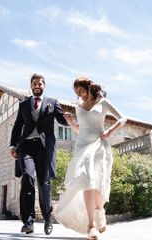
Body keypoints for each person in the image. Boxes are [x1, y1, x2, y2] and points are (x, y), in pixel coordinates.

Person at [54, 76, 127, 240]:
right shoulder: (78, 108)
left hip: (100, 145)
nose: (80, 95)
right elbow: (80, 130)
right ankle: (90, 226)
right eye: (77, 93)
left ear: (88, 87)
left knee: (99, 185)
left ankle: (100, 213)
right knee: (86, 179)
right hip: (83, 146)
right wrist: (70, 122)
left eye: (81, 91)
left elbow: (123, 118)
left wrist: (110, 131)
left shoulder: (103, 102)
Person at [10, 73, 68, 235]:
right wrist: (12, 145)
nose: (37, 86)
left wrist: (73, 118)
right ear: (31, 86)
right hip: (26, 145)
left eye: (40, 83)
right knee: (27, 176)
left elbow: (62, 120)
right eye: (34, 83)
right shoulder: (23, 105)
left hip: (44, 147)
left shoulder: (52, 102)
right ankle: (28, 222)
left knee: (44, 183)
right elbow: (17, 127)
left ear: (44, 86)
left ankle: (48, 219)